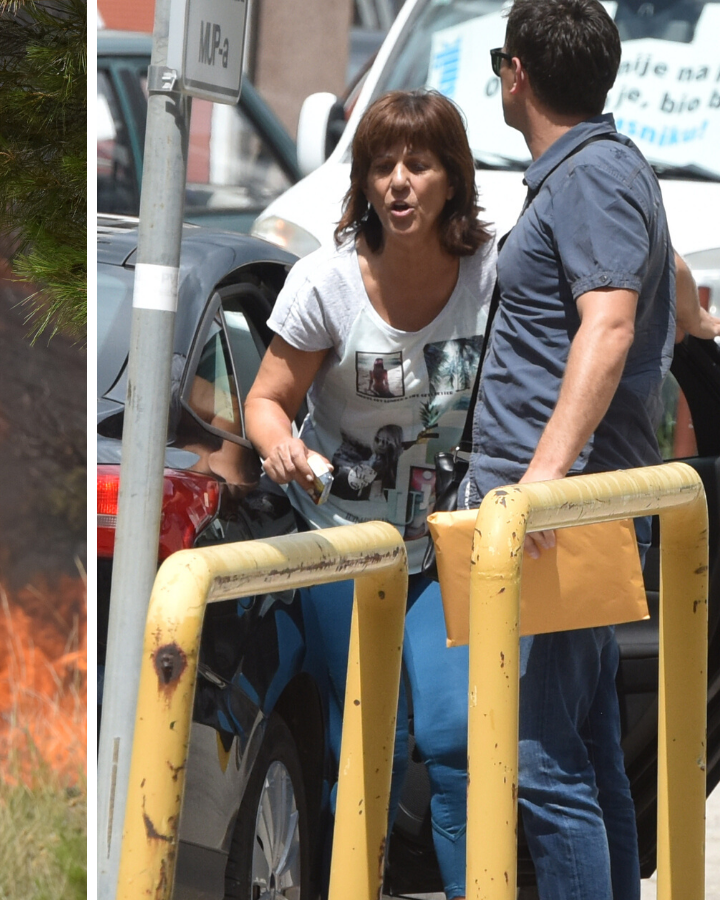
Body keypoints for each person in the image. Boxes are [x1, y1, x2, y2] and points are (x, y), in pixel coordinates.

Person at [472, 3, 720, 899]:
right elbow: (651, 265)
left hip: (557, 515)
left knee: (542, 760)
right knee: (583, 748)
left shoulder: (590, 178)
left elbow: (610, 323)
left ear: (517, 76)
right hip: (560, 514)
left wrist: (541, 483)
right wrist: (691, 309)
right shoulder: (601, 172)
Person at [245, 89, 495, 900]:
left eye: (418, 164)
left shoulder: (490, 275)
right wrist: (279, 442)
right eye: (382, 165)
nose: (399, 182)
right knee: (367, 745)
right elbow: (265, 399)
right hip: (343, 542)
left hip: (445, 538)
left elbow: (603, 271)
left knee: (458, 742)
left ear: (451, 179)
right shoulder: (327, 283)